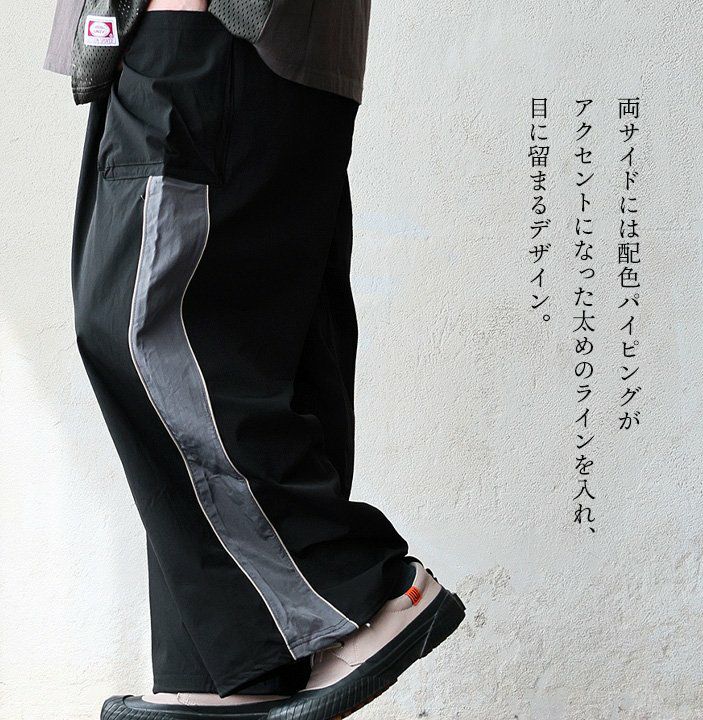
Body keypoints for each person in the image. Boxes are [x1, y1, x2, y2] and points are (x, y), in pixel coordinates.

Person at [45, 1, 465, 718]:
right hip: (257, 42)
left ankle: (362, 593)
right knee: (253, 344)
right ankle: (238, 667)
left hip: (211, 26)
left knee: (150, 322)